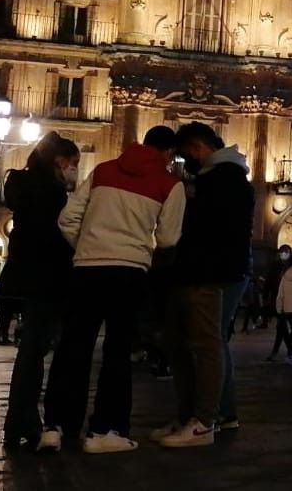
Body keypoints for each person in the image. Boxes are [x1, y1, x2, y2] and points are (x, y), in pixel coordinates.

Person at [40, 126, 185, 454]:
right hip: (130, 272)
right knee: (117, 352)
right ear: (165, 153)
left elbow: (67, 219)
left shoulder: (103, 170)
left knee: (72, 347)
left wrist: (88, 247)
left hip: (87, 268)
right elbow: (168, 239)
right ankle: (106, 430)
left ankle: (56, 426)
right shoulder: (170, 184)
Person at [144, 123, 252, 449]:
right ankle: (211, 414)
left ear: (196, 147)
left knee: (207, 345)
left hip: (212, 273)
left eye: (184, 154)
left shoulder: (224, 179)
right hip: (207, 271)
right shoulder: (220, 177)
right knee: (204, 342)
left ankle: (205, 420)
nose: (182, 161)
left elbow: (206, 229)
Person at [0, 132, 81, 450]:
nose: (74, 169)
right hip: (48, 277)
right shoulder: (52, 191)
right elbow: (56, 236)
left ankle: (17, 421)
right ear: (59, 162)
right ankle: (27, 421)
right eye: (73, 163)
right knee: (36, 351)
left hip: (22, 274)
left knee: (29, 352)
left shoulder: (23, 185)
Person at [265, 245, 292, 355]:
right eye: (282, 252)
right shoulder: (275, 265)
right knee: (281, 326)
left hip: (290, 299)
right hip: (277, 298)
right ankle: (288, 349)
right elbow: (269, 280)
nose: (284, 254)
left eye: (286, 252)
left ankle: (278, 351)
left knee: (281, 326)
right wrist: (266, 295)